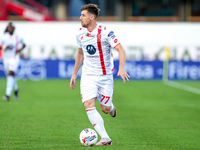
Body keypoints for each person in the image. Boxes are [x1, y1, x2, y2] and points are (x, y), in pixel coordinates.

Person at [70, 4, 130, 146]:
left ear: (92, 17)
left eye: (83, 15)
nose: (80, 18)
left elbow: (120, 49)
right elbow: (80, 53)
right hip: (88, 76)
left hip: (105, 77)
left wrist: (121, 68)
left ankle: (111, 107)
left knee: (105, 109)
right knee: (88, 104)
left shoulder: (106, 32)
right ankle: (105, 138)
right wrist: (74, 74)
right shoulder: (80, 33)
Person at [0, 22, 26, 101]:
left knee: (10, 75)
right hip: (6, 58)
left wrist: (19, 50)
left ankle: (7, 95)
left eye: (12, 27)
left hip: (14, 58)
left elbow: (24, 44)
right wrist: (5, 47)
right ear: (7, 29)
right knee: (10, 76)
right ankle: (16, 89)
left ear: (14, 29)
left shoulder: (18, 37)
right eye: (9, 27)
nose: (10, 29)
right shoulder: (4, 37)